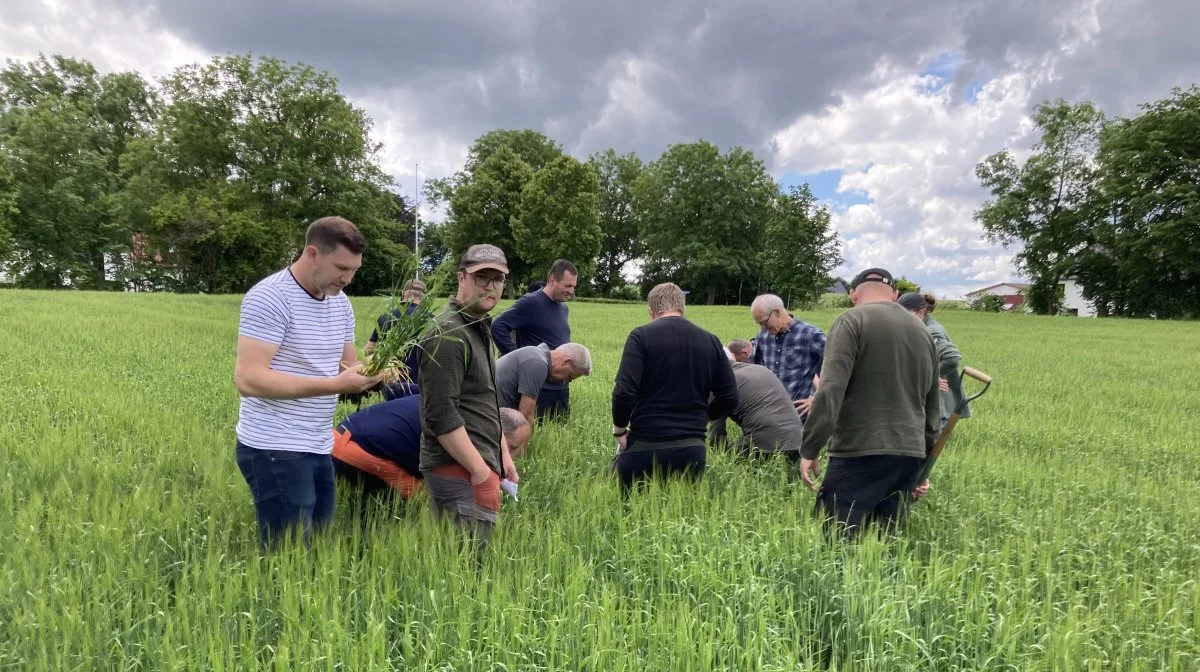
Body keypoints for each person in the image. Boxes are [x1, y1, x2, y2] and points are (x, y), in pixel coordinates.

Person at [232, 216, 384, 549]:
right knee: (288, 553)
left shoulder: (340, 303)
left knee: (316, 544)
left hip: (318, 443)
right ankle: (277, 601)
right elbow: (248, 378)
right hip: (274, 446)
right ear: (312, 253)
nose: (347, 278)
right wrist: (334, 385)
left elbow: (347, 365)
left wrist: (377, 371)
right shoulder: (270, 297)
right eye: (341, 267)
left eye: (354, 270)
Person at [799, 268, 941, 540]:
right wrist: (923, 463)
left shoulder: (851, 320)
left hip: (859, 450)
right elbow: (932, 406)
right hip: (908, 454)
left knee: (836, 542)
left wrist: (810, 447)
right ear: (895, 295)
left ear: (853, 294)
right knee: (884, 544)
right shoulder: (923, 332)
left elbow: (830, 391)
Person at [418, 244, 518, 550]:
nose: (490, 286)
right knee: (468, 571)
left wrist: (503, 455)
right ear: (462, 278)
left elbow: (484, 399)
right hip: (458, 469)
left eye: (497, 279)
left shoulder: (476, 325)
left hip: (478, 464)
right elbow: (441, 415)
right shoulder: (447, 334)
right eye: (481, 277)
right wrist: (480, 472)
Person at [611, 283, 739, 492]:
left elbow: (624, 391)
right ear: (683, 308)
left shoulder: (640, 336)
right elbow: (731, 396)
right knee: (683, 518)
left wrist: (619, 430)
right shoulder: (711, 341)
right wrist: (701, 418)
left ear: (651, 311)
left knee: (630, 518)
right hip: (692, 448)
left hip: (644, 445)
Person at [333, 396, 531, 500]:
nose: (511, 456)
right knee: (428, 501)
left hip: (344, 436)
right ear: (496, 430)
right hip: (355, 448)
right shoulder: (466, 432)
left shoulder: (464, 407)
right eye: (510, 447)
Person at [898, 291, 970, 501]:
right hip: (928, 402)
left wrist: (929, 375)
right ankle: (904, 500)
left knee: (920, 461)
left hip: (939, 405)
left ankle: (906, 505)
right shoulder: (918, 327)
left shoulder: (931, 331)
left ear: (921, 312)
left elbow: (952, 356)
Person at [491, 259, 578, 420]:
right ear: (552, 280)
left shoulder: (563, 308)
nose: (571, 291)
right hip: (538, 385)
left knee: (560, 433)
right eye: (567, 286)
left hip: (561, 386)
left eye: (573, 286)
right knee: (534, 431)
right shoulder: (530, 303)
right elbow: (498, 325)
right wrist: (517, 358)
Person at [708, 341, 805, 461]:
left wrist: (717, 457)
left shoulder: (721, 383)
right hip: (798, 443)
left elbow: (716, 436)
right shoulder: (761, 369)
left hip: (766, 446)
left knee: (728, 458)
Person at [750, 294, 826, 419]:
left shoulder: (810, 334)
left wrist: (816, 398)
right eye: (759, 324)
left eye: (764, 322)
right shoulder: (762, 336)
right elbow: (754, 367)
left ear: (777, 313)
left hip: (799, 414)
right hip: (769, 410)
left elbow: (834, 369)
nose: (762, 327)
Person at [495, 342, 592, 437]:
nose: (564, 382)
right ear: (566, 362)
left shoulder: (536, 354)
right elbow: (526, 415)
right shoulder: (538, 363)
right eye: (569, 377)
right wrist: (526, 449)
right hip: (491, 419)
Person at [365, 278, 428, 400]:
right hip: (420, 386)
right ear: (424, 297)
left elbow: (369, 350)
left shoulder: (386, 317)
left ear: (403, 293)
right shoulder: (432, 320)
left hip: (390, 383)